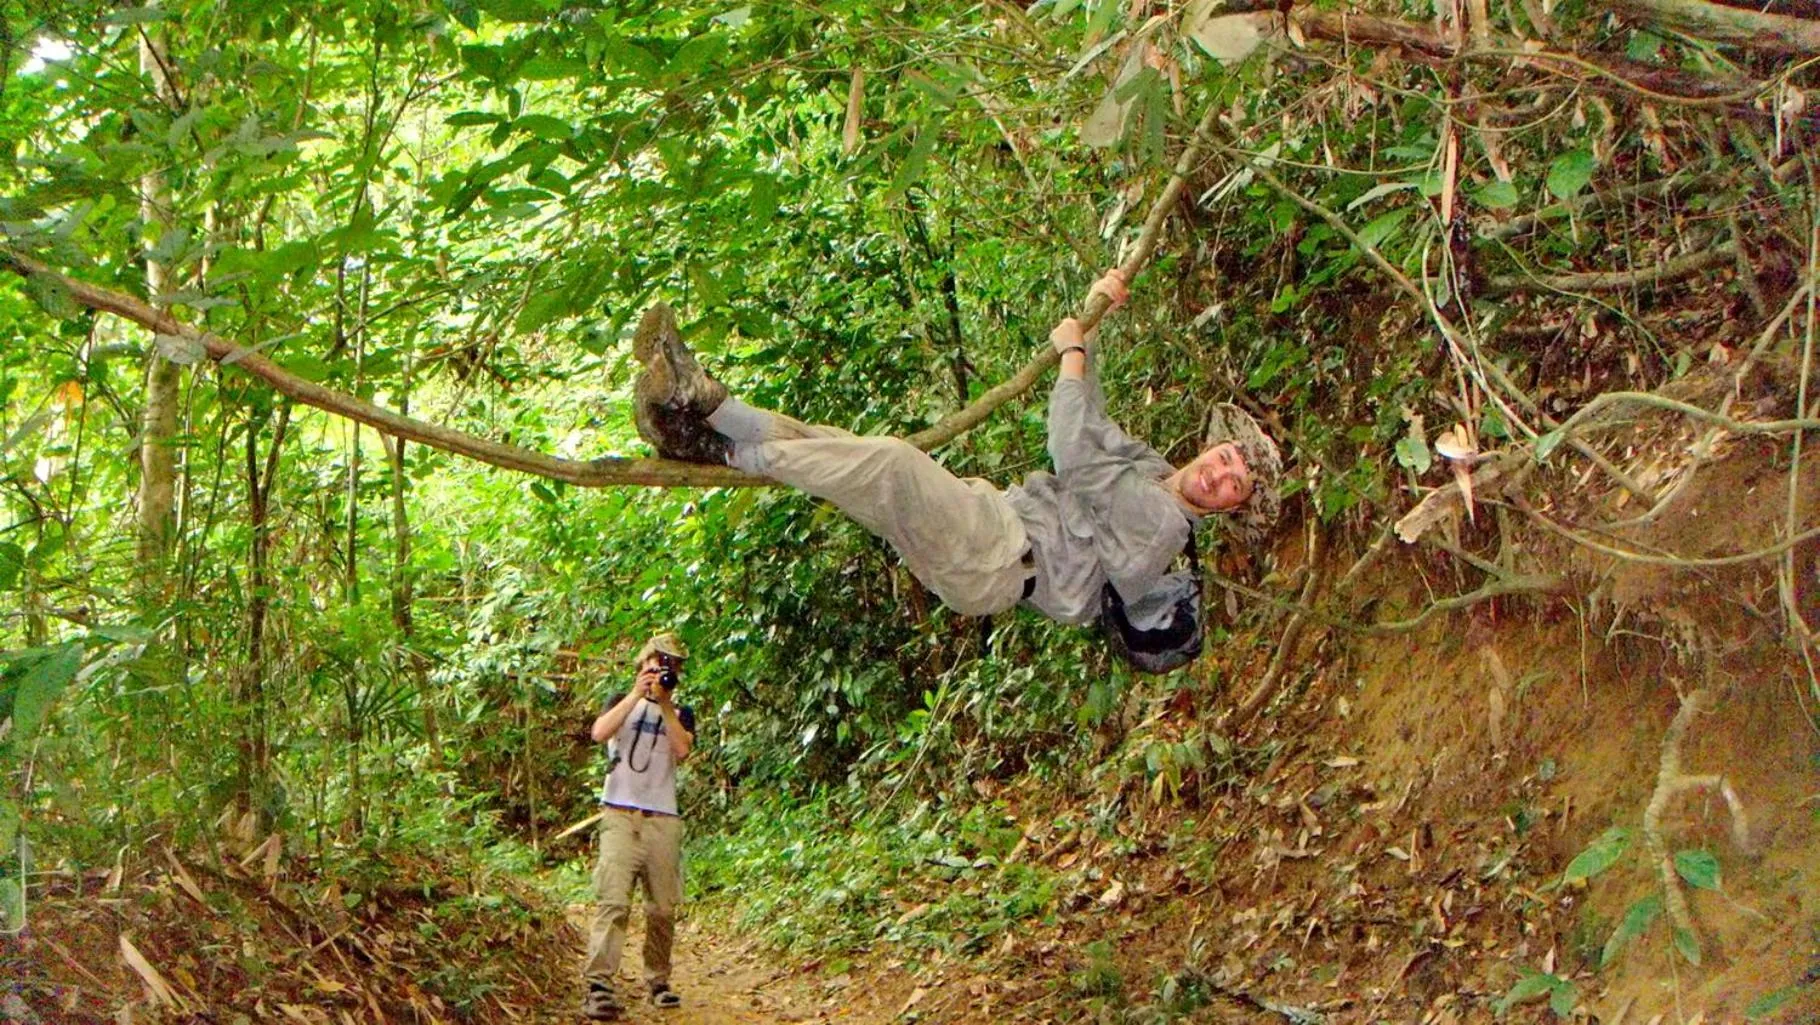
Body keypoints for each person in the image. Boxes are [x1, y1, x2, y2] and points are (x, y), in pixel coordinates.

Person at [630, 268, 1282, 669]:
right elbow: (1097, 420)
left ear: (1228, 508)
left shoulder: (1163, 524)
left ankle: (717, 442)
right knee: (844, 448)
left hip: (998, 558)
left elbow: (1074, 450)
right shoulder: (1153, 470)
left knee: (888, 462)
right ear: (1210, 446)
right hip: (991, 522)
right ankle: (712, 411)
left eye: (1233, 486)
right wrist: (1096, 312)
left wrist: (1073, 354)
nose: (1219, 475)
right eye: (1225, 460)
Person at [581, 633, 698, 1020]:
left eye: (667, 667)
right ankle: (599, 985)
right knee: (613, 902)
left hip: (662, 818)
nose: (658, 671)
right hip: (619, 814)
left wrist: (664, 705)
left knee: (662, 908)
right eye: (653, 663)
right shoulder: (620, 701)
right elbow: (599, 733)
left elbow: (682, 751)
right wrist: (636, 694)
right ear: (640, 664)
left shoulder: (681, 712)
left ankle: (659, 981)